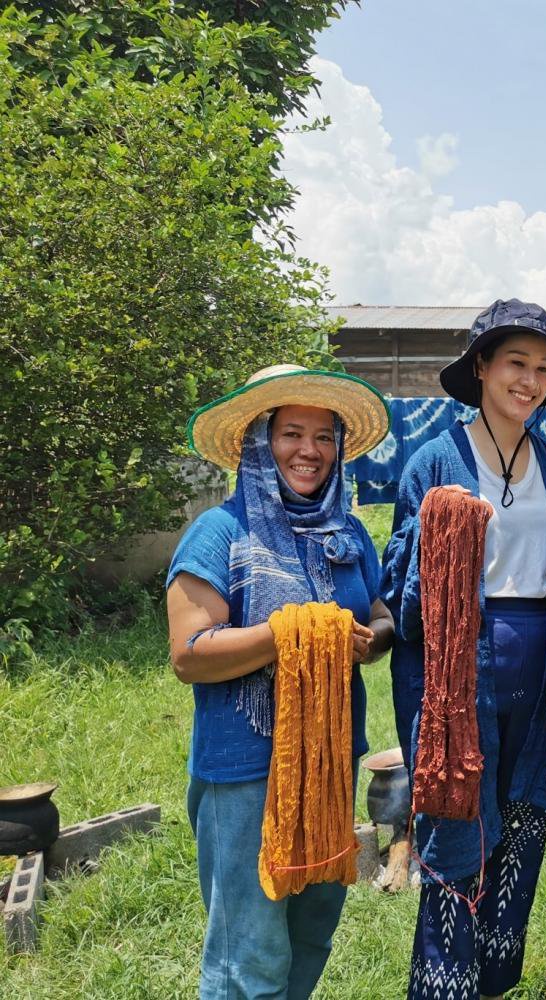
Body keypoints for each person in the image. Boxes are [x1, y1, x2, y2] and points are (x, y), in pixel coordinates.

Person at [381, 299, 546, 1000]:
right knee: (456, 818)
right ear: (481, 368)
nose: (529, 381)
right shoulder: (435, 461)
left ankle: (494, 979)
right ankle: (445, 983)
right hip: (455, 669)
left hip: (539, 663)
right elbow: (402, 585)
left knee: (523, 819)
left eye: (541, 369)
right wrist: (444, 534)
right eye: (515, 364)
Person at [166, 364, 394, 999]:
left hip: (328, 763)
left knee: (313, 930)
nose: (309, 451)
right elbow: (189, 655)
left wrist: (368, 640)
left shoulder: (347, 532)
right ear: (259, 442)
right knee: (250, 951)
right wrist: (291, 632)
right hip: (246, 772)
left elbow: (380, 615)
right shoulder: (220, 533)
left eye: (324, 437)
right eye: (292, 433)